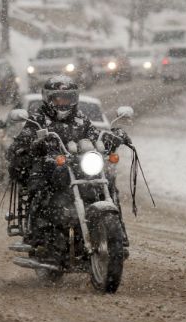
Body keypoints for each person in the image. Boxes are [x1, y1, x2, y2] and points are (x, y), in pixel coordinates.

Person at [7, 75, 129, 260]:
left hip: (76, 167)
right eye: (58, 98)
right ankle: (37, 237)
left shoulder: (80, 119)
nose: (63, 102)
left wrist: (112, 137)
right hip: (49, 167)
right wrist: (33, 144)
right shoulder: (37, 120)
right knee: (39, 186)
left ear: (74, 98)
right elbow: (20, 145)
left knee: (108, 184)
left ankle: (118, 235)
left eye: (68, 98)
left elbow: (95, 136)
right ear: (48, 98)